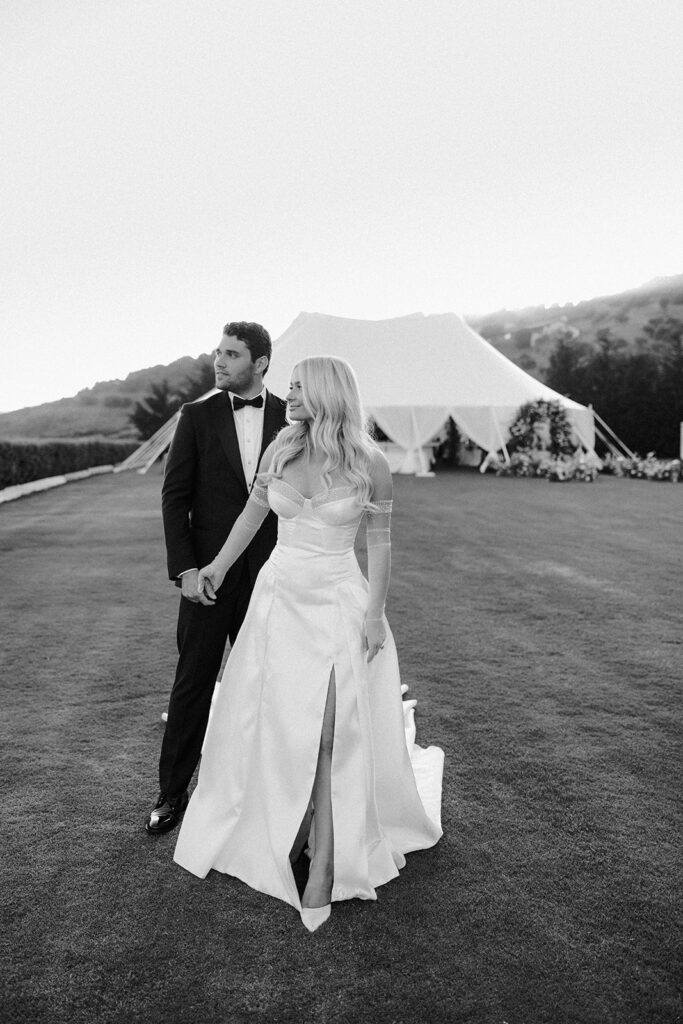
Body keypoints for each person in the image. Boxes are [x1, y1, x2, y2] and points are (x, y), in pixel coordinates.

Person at [173, 356, 443, 931]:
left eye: (296, 385)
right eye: (289, 384)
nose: (287, 393)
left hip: (339, 602)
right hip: (278, 601)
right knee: (278, 721)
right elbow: (251, 514)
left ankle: (323, 862)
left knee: (328, 729)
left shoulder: (370, 461)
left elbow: (382, 546)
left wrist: (375, 615)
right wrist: (217, 566)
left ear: (324, 393)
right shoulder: (281, 449)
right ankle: (288, 827)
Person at [145, 321, 288, 834]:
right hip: (206, 577)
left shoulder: (293, 417)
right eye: (218, 353)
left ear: (261, 362)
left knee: (269, 685)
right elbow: (174, 497)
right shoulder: (196, 416)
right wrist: (185, 570)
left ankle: (266, 792)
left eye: (232, 354)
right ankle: (171, 792)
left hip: (273, 577)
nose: (219, 362)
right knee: (193, 683)